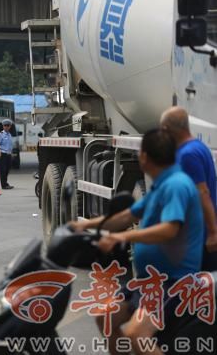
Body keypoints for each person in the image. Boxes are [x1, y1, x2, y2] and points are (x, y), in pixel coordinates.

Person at [70, 129, 204, 355]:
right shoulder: (162, 184)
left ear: (144, 157)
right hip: (148, 282)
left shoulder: (176, 185)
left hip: (173, 282)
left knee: (136, 335)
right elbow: (127, 216)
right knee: (105, 318)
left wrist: (122, 236)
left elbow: (170, 229)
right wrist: (86, 225)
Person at [161, 106, 217, 270]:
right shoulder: (199, 147)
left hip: (196, 237)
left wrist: (213, 233)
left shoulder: (187, 154)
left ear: (166, 129)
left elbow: (202, 193)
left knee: (191, 290)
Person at [0, 119, 14, 190]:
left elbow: (10, 145)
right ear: (3, 126)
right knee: (3, 170)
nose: (6, 127)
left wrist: (11, 154)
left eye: (8, 126)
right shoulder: (0, 134)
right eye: (5, 125)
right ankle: (4, 185)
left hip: (8, 154)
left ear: (10, 126)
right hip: (2, 154)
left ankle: (5, 183)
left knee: (7, 169)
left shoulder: (9, 134)